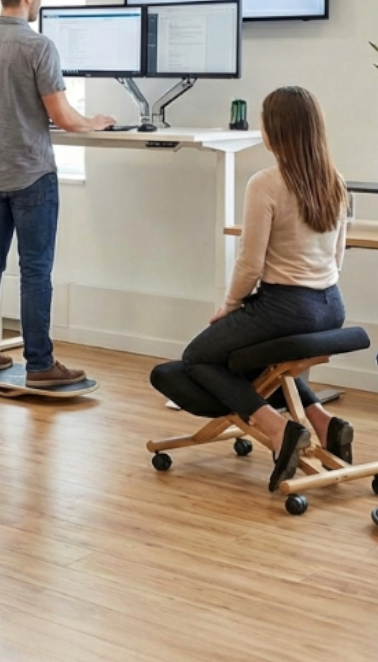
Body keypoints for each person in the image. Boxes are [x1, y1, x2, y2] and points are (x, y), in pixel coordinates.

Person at [150, 86, 354, 492]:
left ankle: (278, 430)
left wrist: (231, 306)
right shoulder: (336, 180)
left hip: (286, 306)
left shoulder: (266, 183)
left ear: (272, 132)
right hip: (331, 305)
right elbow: (338, 255)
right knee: (267, 367)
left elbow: (250, 263)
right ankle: (321, 421)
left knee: (197, 357)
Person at [0, 0, 114, 387]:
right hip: (30, 173)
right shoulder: (38, 46)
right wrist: (94, 122)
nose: (39, 4)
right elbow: (62, 116)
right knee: (34, 270)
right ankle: (41, 364)